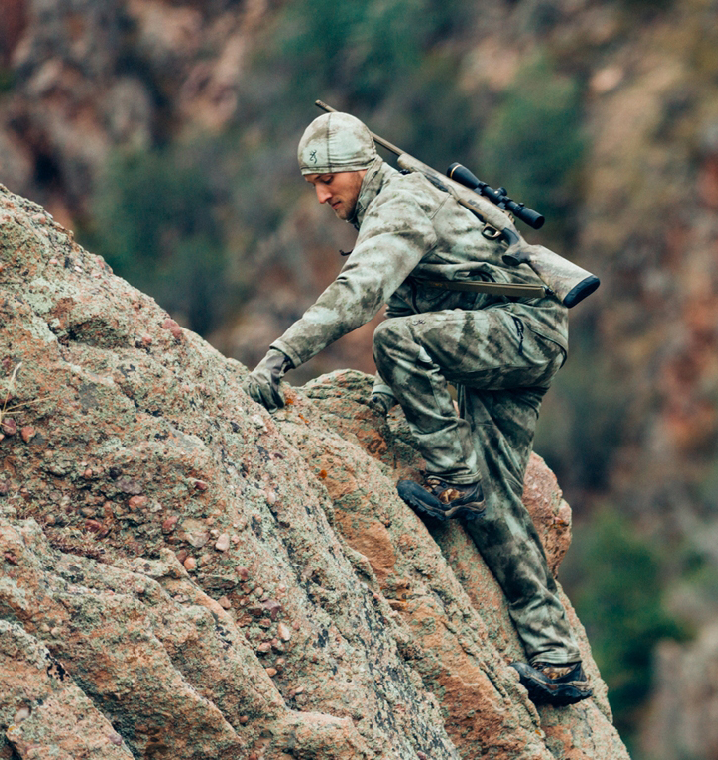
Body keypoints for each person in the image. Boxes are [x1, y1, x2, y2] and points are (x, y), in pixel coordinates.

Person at [244, 111, 591, 706]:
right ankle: (558, 661)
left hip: (520, 331)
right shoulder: (391, 205)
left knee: (395, 346)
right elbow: (412, 301)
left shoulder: (401, 204)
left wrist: (281, 356)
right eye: (313, 183)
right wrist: (387, 396)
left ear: (360, 168)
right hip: (520, 334)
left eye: (329, 179)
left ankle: (452, 481)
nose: (323, 194)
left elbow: (362, 295)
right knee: (497, 503)